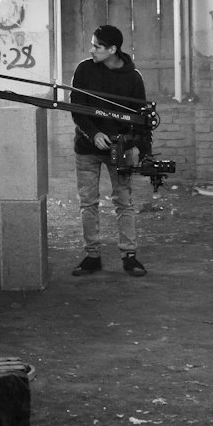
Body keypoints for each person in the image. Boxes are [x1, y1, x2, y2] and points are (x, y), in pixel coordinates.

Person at [69, 23, 150, 277]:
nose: (91, 49)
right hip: (87, 147)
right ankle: (92, 256)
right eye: (92, 45)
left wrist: (140, 148)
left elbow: (142, 117)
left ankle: (129, 256)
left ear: (113, 49)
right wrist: (94, 134)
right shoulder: (84, 70)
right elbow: (77, 108)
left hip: (121, 148)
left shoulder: (133, 78)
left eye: (97, 46)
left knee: (124, 202)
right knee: (88, 203)